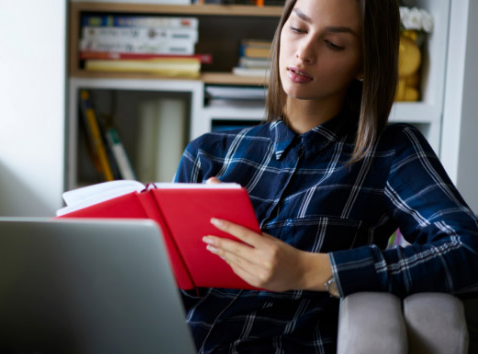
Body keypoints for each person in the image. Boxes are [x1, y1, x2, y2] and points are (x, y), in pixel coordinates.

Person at [174, 0, 478, 352]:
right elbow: (167, 294)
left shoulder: (388, 152)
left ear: (364, 63)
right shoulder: (207, 153)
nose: (303, 53)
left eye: (333, 43)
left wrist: (308, 270)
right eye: (298, 29)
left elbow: (468, 250)